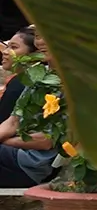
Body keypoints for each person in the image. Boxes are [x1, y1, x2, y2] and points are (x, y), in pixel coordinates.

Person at [0, 27, 59, 188]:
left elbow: (47, 141)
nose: (41, 42)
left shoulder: (73, 84)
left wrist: (6, 142)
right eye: (38, 36)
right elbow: (13, 122)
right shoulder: (38, 77)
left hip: (31, 166)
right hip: (13, 152)